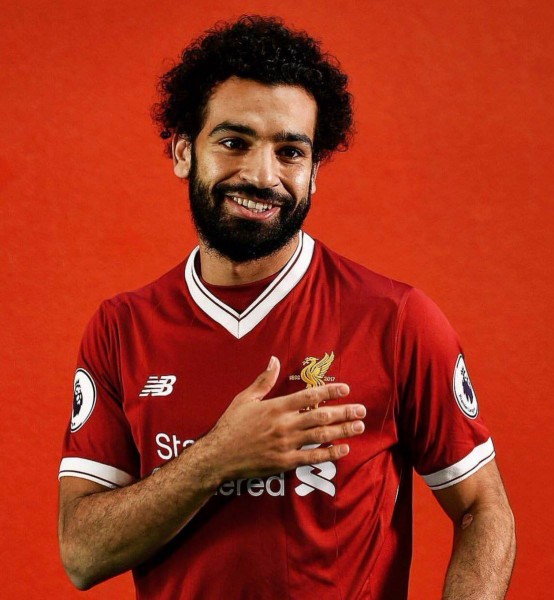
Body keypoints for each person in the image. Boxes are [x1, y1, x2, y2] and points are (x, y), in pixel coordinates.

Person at [58, 15, 516, 599]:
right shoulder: (122, 328)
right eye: (234, 142)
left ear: (314, 172)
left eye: (290, 152)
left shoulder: (395, 319)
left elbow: (483, 508)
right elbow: (81, 553)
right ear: (183, 152)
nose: (262, 175)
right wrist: (217, 458)